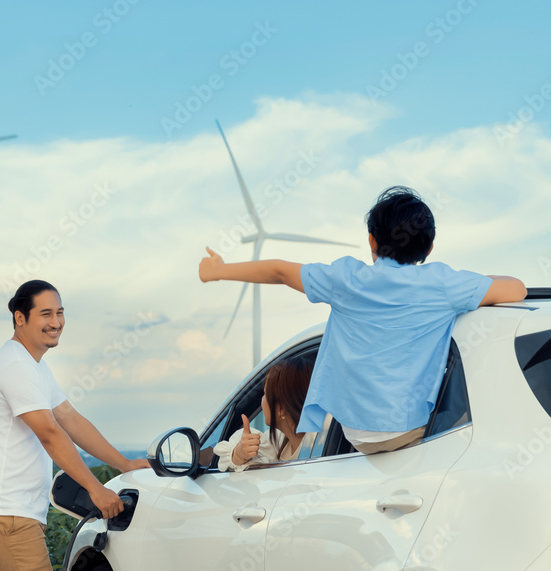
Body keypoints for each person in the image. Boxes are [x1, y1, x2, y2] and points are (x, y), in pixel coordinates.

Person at [199, 186, 527, 454]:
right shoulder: (442, 284)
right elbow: (517, 289)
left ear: (372, 240)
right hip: (409, 429)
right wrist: (473, 283)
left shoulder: (346, 279)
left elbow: (279, 271)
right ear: (429, 247)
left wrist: (219, 271)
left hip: (356, 433)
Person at [0, 280, 149, 570]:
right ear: (20, 318)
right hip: (6, 514)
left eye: (60, 313)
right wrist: (95, 489)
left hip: (11, 513)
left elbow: (69, 418)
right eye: (46, 314)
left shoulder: (34, 364)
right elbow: (50, 433)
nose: (56, 322)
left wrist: (123, 463)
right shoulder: (17, 366)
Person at [215, 356, 317, 471]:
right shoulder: (279, 440)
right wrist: (239, 454)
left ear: (281, 409)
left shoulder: (313, 444)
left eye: (265, 394)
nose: (261, 401)